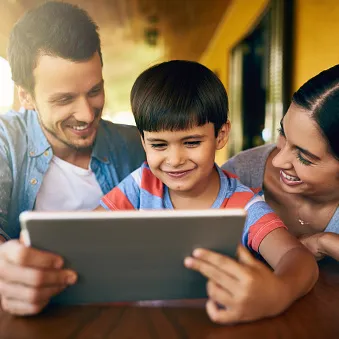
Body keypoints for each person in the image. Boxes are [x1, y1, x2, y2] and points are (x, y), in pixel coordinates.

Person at [96, 60, 318, 324]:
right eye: (158, 144)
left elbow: (298, 258)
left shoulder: (243, 205)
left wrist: (278, 293)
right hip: (145, 323)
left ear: (221, 135)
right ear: (143, 141)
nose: (174, 159)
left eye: (191, 142)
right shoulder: (141, 184)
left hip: (219, 325)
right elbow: (85, 232)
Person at [0, 1, 144, 315]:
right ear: (25, 95)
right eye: (65, 99)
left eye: (95, 91)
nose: (86, 113)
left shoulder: (136, 145)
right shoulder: (5, 142)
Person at [222, 65, 339, 262]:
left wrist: (325, 242)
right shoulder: (239, 174)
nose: (278, 160)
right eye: (282, 133)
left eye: (304, 157)